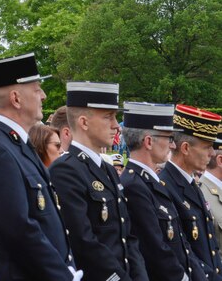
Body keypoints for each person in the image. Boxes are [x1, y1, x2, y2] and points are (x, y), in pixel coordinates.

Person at [0, 53, 78, 281]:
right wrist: (61, 275)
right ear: (16, 98)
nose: (44, 96)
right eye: (37, 90)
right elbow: (17, 229)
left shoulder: (17, 144)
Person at [50, 81, 148, 281]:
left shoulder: (108, 169)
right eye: (108, 117)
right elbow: (83, 241)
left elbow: (128, 237)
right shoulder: (65, 170)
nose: (115, 126)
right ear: (84, 123)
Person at [119, 102, 202, 281]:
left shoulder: (150, 181)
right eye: (169, 138)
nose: (172, 145)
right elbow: (154, 248)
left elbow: (180, 241)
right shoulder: (134, 185)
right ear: (149, 141)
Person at [160, 105, 222, 280]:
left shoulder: (191, 184)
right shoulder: (165, 186)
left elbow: (210, 246)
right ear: (185, 148)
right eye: (207, 147)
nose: (211, 153)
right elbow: (181, 250)